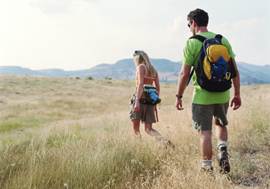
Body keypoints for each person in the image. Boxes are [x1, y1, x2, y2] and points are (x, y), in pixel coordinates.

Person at [175, 9, 241, 173]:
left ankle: (207, 169)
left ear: (194, 23)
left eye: (189, 24)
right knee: (220, 124)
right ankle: (222, 150)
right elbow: (235, 70)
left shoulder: (192, 43)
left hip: (202, 96)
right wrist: (237, 94)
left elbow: (184, 74)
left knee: (204, 132)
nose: (189, 27)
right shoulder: (222, 40)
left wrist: (179, 96)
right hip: (223, 93)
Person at [130, 51, 170, 144]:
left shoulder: (140, 67)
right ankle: (163, 140)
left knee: (136, 129)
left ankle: (138, 148)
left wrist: (137, 101)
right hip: (150, 100)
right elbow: (158, 88)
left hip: (140, 98)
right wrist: (154, 102)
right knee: (149, 129)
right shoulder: (153, 70)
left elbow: (140, 84)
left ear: (138, 59)